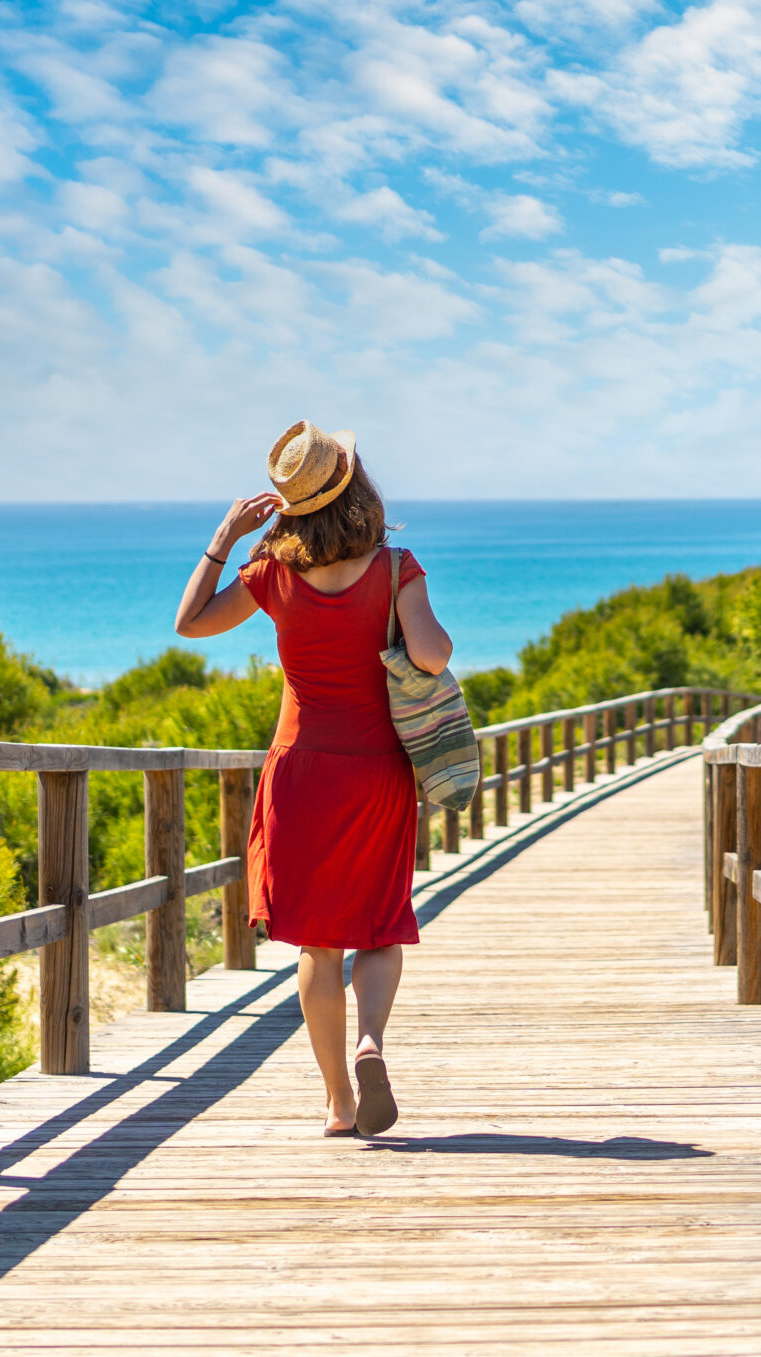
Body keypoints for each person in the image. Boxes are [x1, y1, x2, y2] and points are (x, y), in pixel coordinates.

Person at [173, 421, 453, 1137]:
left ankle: (337, 1103)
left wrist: (225, 538)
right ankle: (371, 1042)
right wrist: (417, 624)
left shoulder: (272, 575)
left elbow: (191, 623)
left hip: (299, 774)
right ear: (357, 489)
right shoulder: (397, 569)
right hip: (377, 775)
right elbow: (429, 655)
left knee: (317, 944)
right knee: (380, 926)